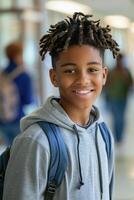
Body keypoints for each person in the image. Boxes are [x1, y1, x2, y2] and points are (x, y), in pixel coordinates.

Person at [3, 12, 119, 200]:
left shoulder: (103, 134)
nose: (83, 79)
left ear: (104, 75)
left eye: (92, 70)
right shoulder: (36, 141)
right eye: (70, 70)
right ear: (54, 77)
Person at [0, 42, 34, 145]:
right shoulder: (24, 75)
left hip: (2, 120)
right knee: (19, 153)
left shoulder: (2, 74)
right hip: (18, 119)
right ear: (19, 54)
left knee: (8, 152)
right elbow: (28, 101)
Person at [105, 53, 133, 143]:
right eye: (118, 59)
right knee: (116, 117)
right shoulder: (112, 71)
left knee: (121, 117)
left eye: (121, 60)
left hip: (123, 98)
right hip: (113, 98)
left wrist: (125, 77)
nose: (119, 61)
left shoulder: (126, 71)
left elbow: (131, 84)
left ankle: (119, 137)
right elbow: (107, 84)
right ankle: (117, 136)